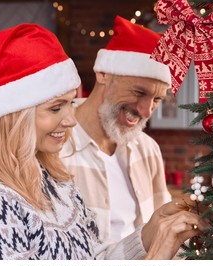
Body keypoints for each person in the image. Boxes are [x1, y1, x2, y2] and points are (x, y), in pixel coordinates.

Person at [0, 23, 205, 260]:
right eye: (56, 108)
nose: (71, 119)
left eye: (69, 104)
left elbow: (91, 262)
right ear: (16, 116)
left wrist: (152, 231)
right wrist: (155, 261)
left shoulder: (55, 179)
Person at [60, 16, 173, 244]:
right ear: (103, 74)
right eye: (139, 93)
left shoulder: (148, 149)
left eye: (157, 99)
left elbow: (162, 234)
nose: (146, 110)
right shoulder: (54, 145)